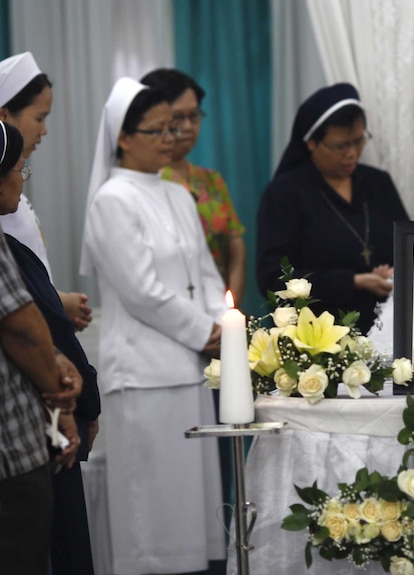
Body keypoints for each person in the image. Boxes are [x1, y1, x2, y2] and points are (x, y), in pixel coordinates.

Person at [80, 78, 226, 575]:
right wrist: (208, 333)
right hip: (143, 375)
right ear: (123, 137)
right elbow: (142, 291)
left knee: (191, 515)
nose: (172, 137)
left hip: (190, 370)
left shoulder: (178, 195)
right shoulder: (113, 200)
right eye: (158, 129)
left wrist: (220, 326)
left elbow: (206, 273)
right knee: (152, 516)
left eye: (175, 127)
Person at [0, 52, 100, 575]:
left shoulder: (16, 201)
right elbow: (18, 317)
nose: (42, 132)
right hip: (24, 414)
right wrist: (68, 389)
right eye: (37, 118)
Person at [257, 83, 409, 334]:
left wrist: (391, 271)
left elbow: (405, 247)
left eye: (359, 141)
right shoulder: (284, 194)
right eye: (340, 146)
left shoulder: (377, 183)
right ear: (311, 143)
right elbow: (272, 278)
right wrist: (353, 282)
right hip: (316, 337)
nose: (352, 153)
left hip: (388, 329)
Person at [0, 52, 93, 332]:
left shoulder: (16, 192)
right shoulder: (4, 197)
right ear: (4, 116)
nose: (44, 131)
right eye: (39, 118)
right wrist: (59, 302)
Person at [140, 68, 247, 303]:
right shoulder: (145, 183)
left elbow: (235, 249)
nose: (188, 126)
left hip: (219, 308)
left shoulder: (211, 180)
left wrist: (229, 307)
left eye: (194, 116)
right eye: (178, 118)